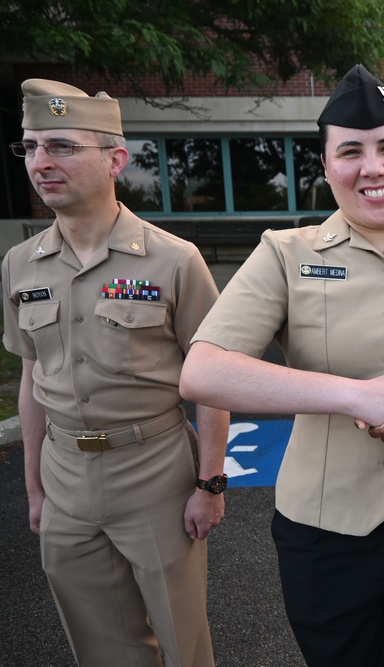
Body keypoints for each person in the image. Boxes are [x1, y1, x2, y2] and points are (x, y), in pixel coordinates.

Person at [179, 64, 384, 667]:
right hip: (324, 532)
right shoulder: (285, 254)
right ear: (327, 164)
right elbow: (203, 372)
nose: (373, 167)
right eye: (351, 151)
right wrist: (355, 396)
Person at [2, 79, 230, 667]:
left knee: (182, 639)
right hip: (64, 475)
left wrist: (209, 484)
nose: (41, 162)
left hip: (154, 471)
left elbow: (215, 380)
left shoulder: (173, 259)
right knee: (99, 644)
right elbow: (31, 378)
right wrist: (34, 485)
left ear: (116, 160)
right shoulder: (20, 264)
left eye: (61, 146)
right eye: (28, 148)